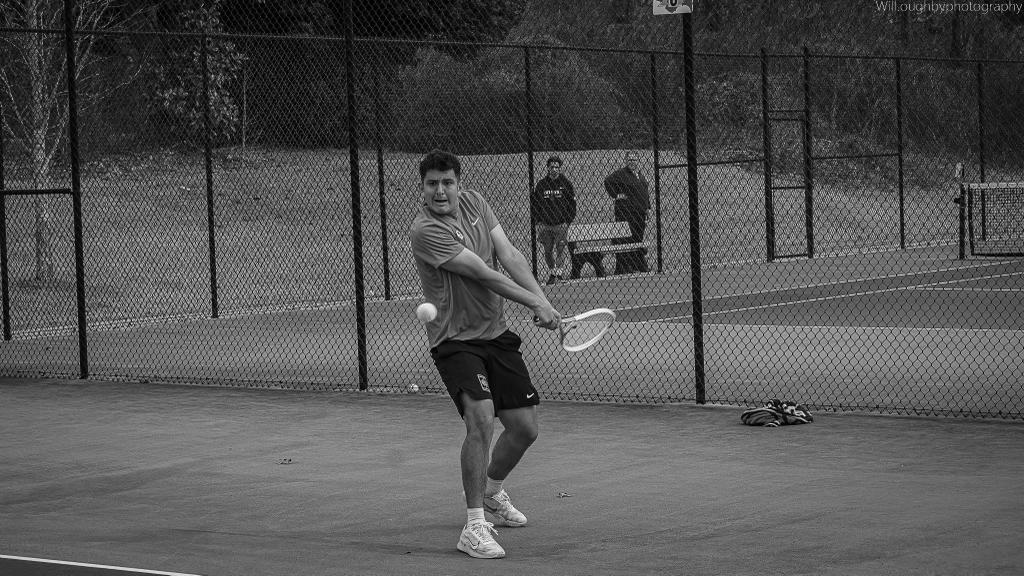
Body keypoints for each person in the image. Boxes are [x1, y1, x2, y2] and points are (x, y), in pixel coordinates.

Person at [409, 149, 561, 560]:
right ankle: (474, 524)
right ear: (422, 188)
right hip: (455, 340)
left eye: (447, 182)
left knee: (525, 429)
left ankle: (492, 492)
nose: (440, 190)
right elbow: (483, 272)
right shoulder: (425, 230)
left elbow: (509, 255)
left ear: (459, 183)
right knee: (481, 419)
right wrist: (535, 304)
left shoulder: (476, 202)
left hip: (495, 333)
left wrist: (543, 300)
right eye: (432, 183)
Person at [530, 155, 577, 285]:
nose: (554, 169)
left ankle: (560, 274)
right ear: (548, 168)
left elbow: (572, 205)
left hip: (561, 224)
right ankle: (552, 272)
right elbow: (535, 205)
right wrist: (538, 221)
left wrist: (568, 221)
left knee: (560, 249)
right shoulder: (541, 184)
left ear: (560, 168)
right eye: (552, 167)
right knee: (547, 251)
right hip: (545, 225)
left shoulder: (566, 183)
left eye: (557, 167)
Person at [603, 151, 650, 274]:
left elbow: (645, 193)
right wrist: (616, 195)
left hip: (640, 213)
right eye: (630, 160)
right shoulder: (621, 173)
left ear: (638, 161)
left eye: (634, 160)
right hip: (626, 213)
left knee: (638, 238)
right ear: (626, 161)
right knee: (627, 239)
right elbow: (607, 181)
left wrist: (648, 208)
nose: (632, 162)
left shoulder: (640, 175)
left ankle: (637, 264)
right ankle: (625, 266)